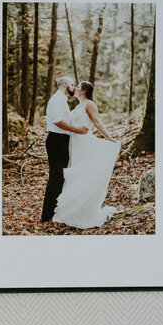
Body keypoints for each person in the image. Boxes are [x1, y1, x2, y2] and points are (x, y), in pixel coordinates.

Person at [52, 81, 121, 228]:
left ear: (83, 91)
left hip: (84, 143)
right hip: (75, 144)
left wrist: (110, 138)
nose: (75, 88)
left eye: (77, 87)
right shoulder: (78, 105)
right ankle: (75, 210)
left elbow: (97, 122)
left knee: (84, 174)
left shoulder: (90, 104)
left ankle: (84, 211)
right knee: (76, 175)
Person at [41, 77, 89, 221]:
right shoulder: (57, 99)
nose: (74, 88)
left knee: (60, 177)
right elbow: (57, 121)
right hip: (57, 140)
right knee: (56, 177)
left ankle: (55, 211)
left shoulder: (62, 100)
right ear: (65, 85)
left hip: (61, 140)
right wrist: (76, 130)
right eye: (72, 85)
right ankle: (47, 215)